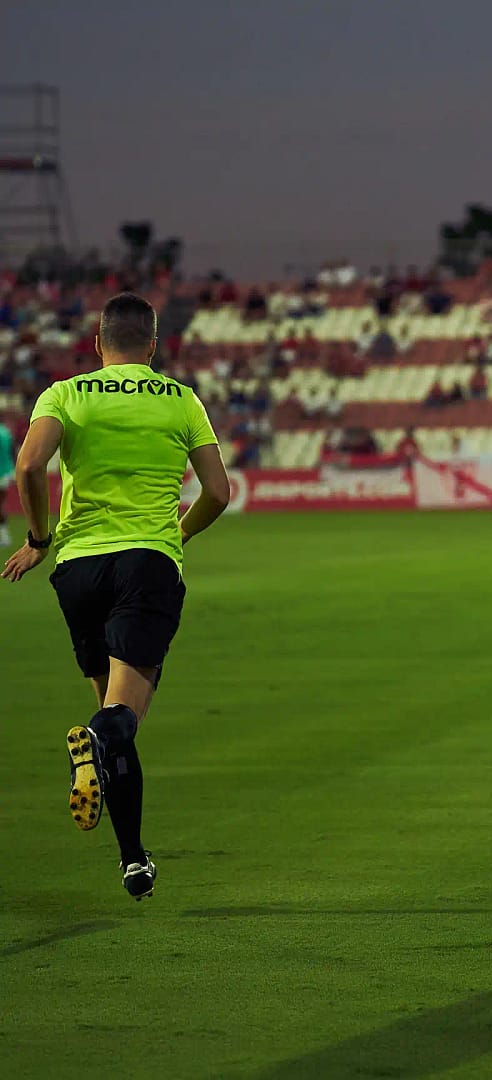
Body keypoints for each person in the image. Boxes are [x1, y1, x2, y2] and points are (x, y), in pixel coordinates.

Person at [2, 293, 231, 901]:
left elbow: (28, 467)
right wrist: (176, 533)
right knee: (119, 721)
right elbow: (218, 491)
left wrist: (39, 537)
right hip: (145, 563)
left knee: (112, 713)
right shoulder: (181, 399)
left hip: (78, 569)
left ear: (99, 344)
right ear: (152, 346)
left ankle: (133, 859)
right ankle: (96, 741)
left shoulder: (65, 394)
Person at [0, 417, 14, 546]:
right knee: (1, 503)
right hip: (5, 472)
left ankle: (3, 535)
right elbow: (12, 452)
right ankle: (4, 535)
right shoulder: (6, 432)